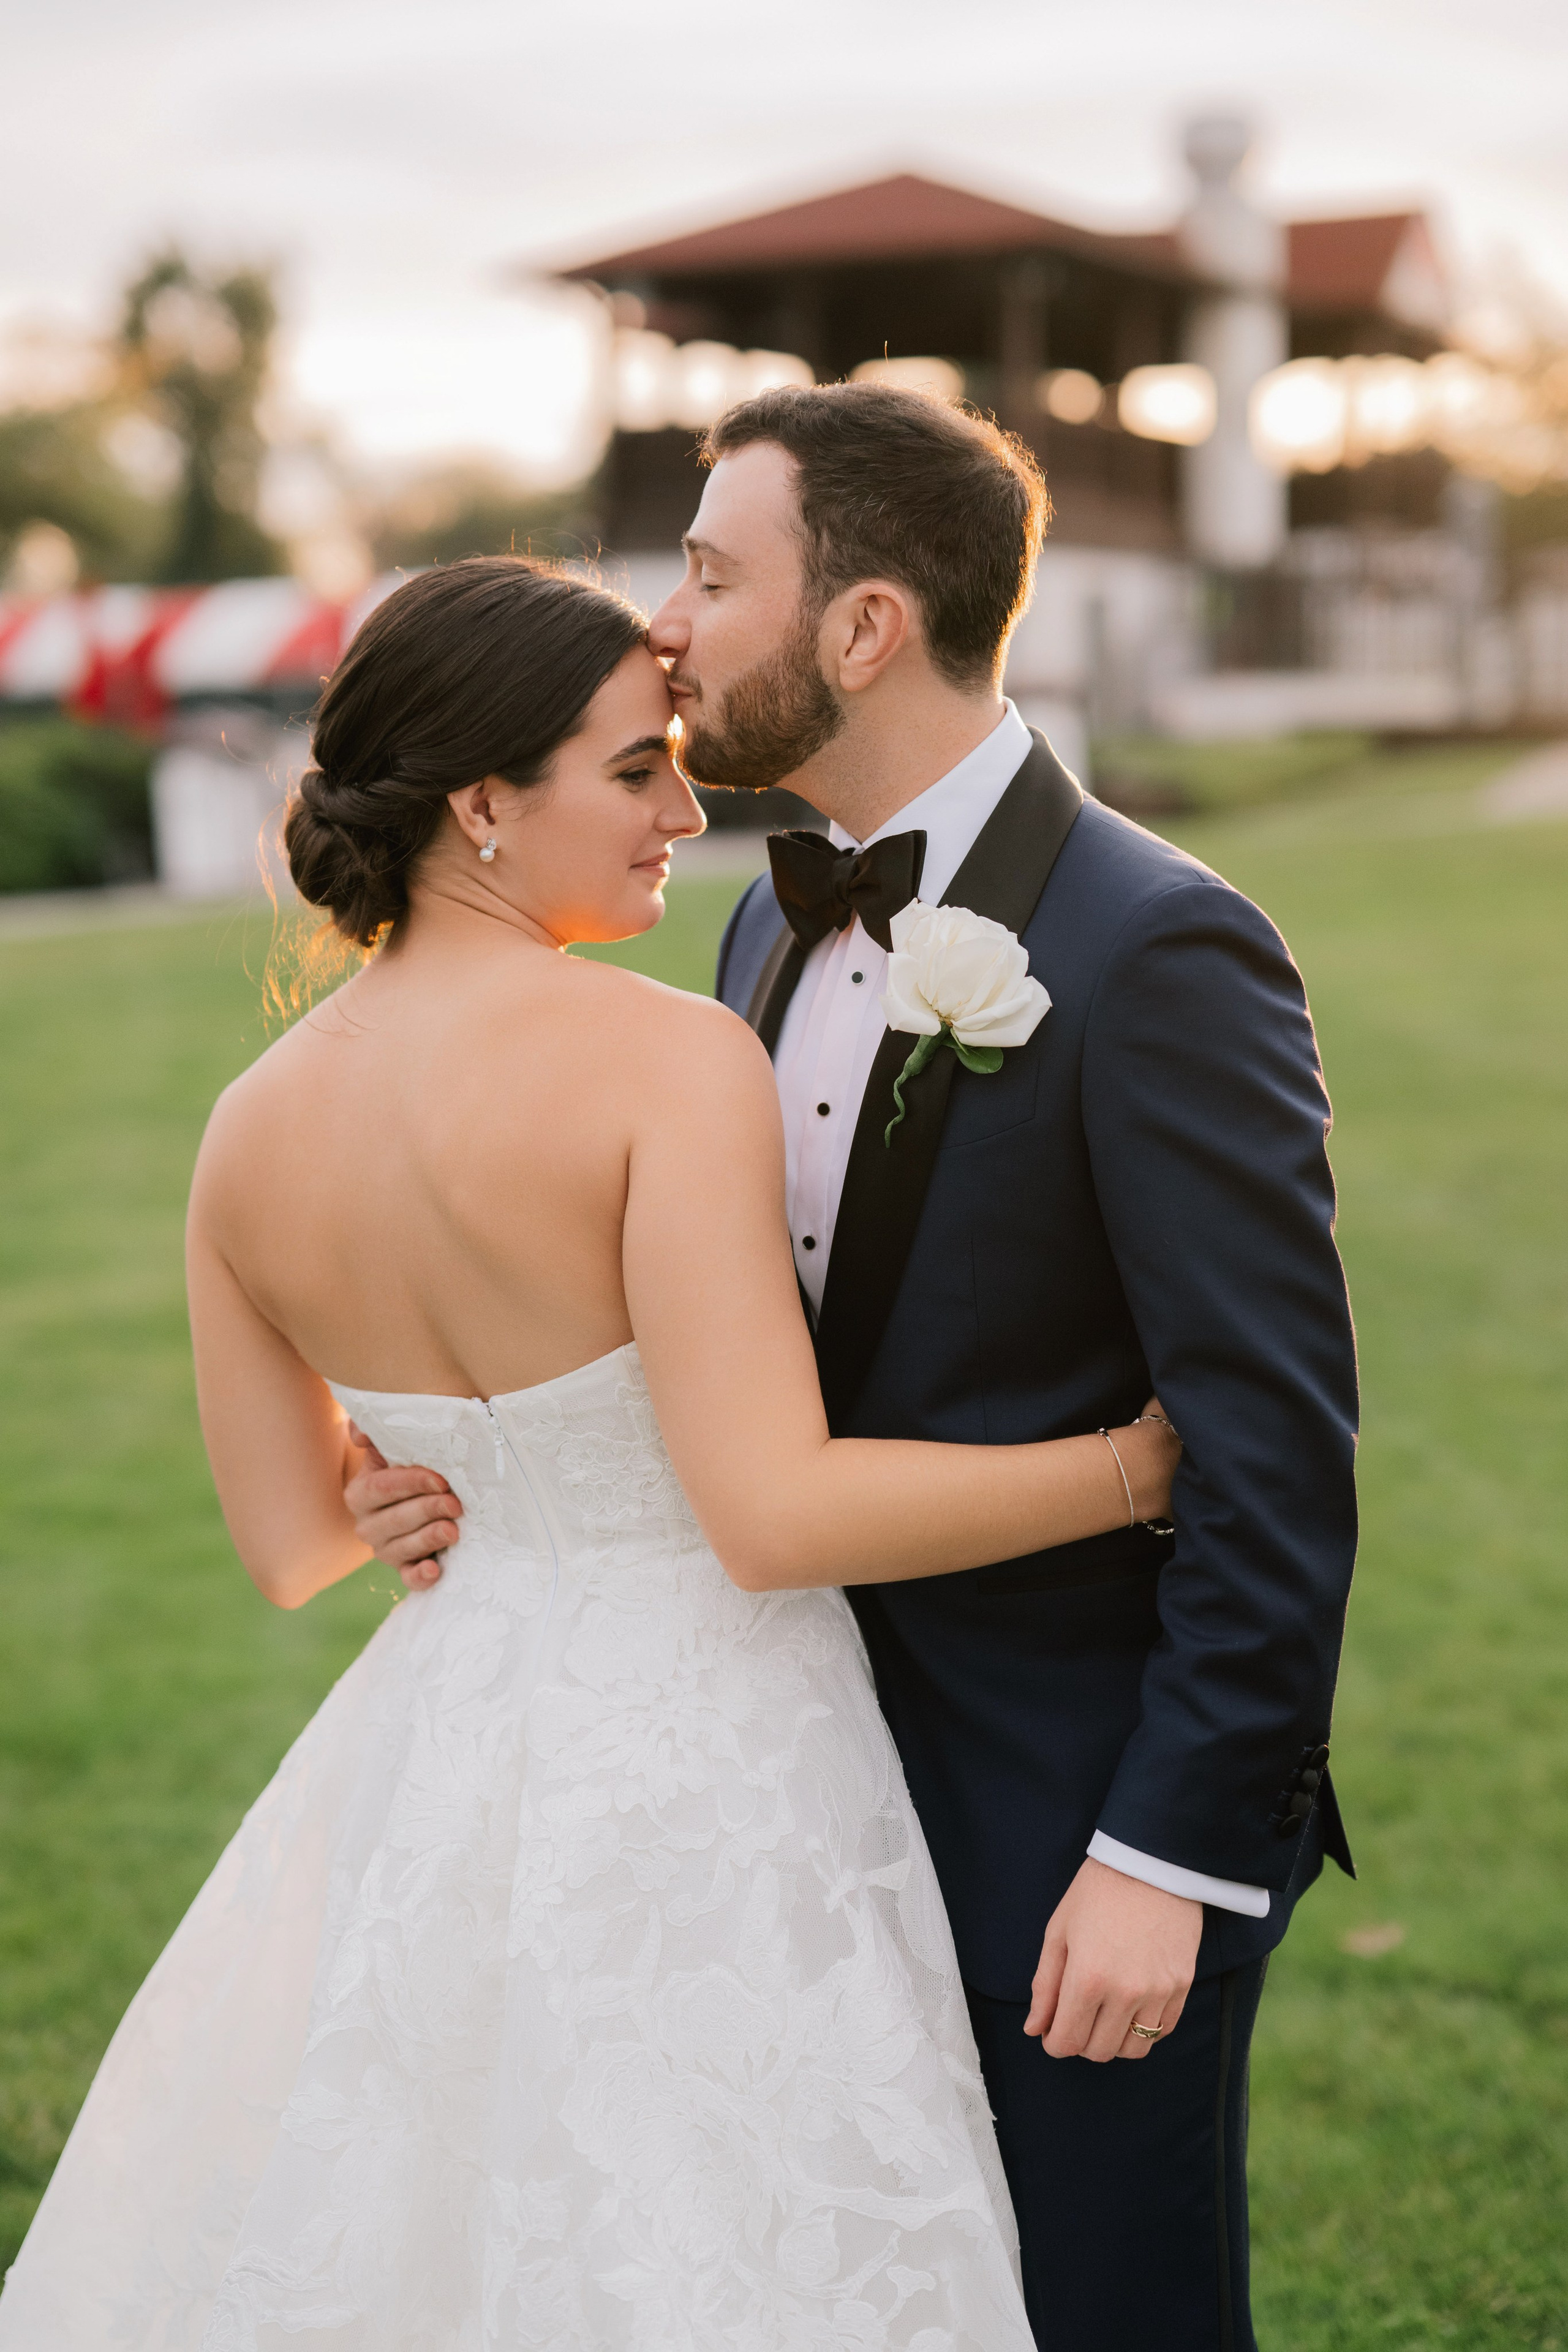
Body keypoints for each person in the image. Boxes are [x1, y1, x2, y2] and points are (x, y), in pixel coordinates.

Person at [0, 555, 1182, 2350]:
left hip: (441, 1754)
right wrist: (1127, 1472)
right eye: (637, 771)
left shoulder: (244, 1136)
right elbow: (771, 1514)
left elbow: (289, 1545)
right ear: (483, 799)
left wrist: (394, 1482)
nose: (688, 812)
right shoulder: (663, 1062)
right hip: (712, 1758)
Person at [352, 385, 1360, 2351]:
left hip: (1069, 1834)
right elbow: (751, 1373)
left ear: (865, 627)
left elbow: (1273, 1454)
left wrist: (1164, 1854)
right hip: (784, 1805)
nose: (667, 630)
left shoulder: (1161, 949)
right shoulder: (752, 926)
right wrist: (462, 1470)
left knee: (1104, 2312)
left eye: (715, 577)